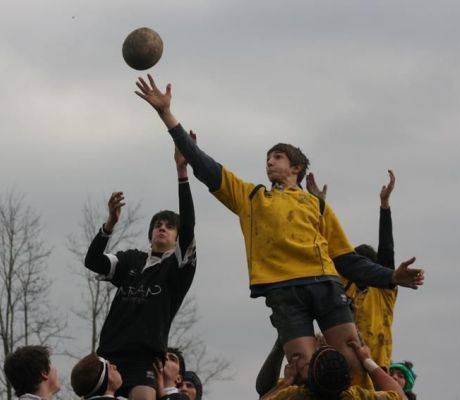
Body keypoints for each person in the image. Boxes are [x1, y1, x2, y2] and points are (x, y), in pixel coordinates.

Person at [135, 74, 424, 384]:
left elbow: (346, 259)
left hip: (324, 283)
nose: (269, 162)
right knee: (304, 369)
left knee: (354, 359)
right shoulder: (252, 198)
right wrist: (167, 115)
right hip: (283, 291)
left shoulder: (317, 205)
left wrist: (391, 276)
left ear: (296, 168)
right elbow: (206, 167)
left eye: (278, 157)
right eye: (267, 158)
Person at [84, 142, 196, 400]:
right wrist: (110, 224)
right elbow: (93, 261)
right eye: (158, 224)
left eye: (169, 226)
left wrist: (182, 174)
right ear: (150, 233)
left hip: (145, 359)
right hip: (109, 356)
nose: (162, 228)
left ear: (178, 238)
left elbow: (189, 224)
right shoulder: (131, 260)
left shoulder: (177, 268)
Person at [309, 170, 399, 371]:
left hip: (377, 367)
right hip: (345, 366)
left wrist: (385, 206)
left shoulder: (384, 293)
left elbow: (387, 251)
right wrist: (318, 207)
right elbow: (328, 249)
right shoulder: (343, 286)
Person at [265, 342, 407, 400]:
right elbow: (400, 396)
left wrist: (285, 383)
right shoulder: (354, 396)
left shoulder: (295, 394)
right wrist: (367, 361)